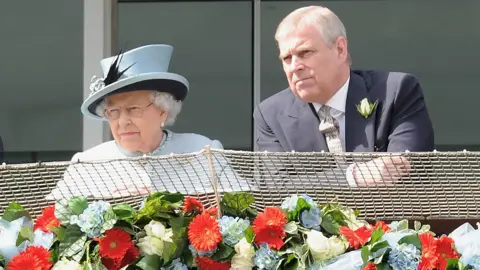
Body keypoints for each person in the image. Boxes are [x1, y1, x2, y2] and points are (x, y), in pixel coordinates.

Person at [253, 6, 434, 186]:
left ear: (340, 49)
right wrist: (354, 176)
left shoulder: (396, 92)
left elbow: (407, 175)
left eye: (305, 53)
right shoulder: (270, 114)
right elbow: (275, 187)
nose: (294, 66)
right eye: (286, 58)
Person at [47, 44, 249, 201]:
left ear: (163, 111)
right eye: (113, 112)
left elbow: (248, 207)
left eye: (133, 109)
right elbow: (47, 224)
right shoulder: (87, 164)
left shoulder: (202, 152)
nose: (123, 122)